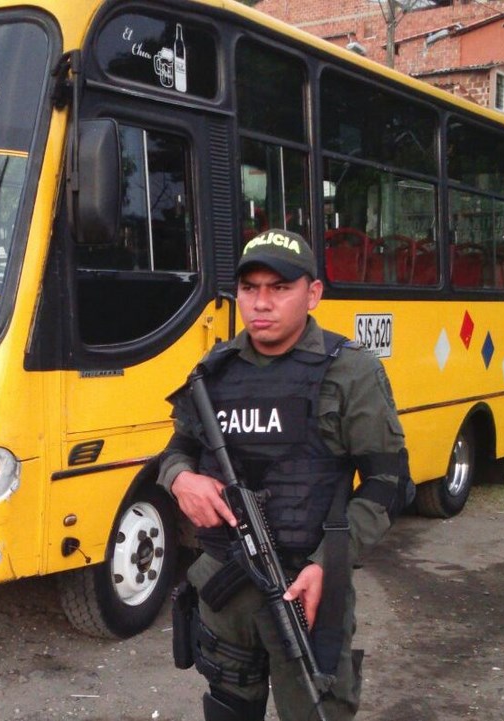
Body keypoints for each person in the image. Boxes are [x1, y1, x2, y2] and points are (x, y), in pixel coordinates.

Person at [159, 228, 414, 721]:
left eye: (279, 288)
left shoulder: (348, 371)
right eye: (251, 289)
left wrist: (329, 563)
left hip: (306, 587)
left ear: (313, 294)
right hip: (224, 587)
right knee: (228, 709)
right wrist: (179, 479)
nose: (261, 303)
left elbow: (389, 483)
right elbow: (177, 450)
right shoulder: (215, 371)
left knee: (316, 710)